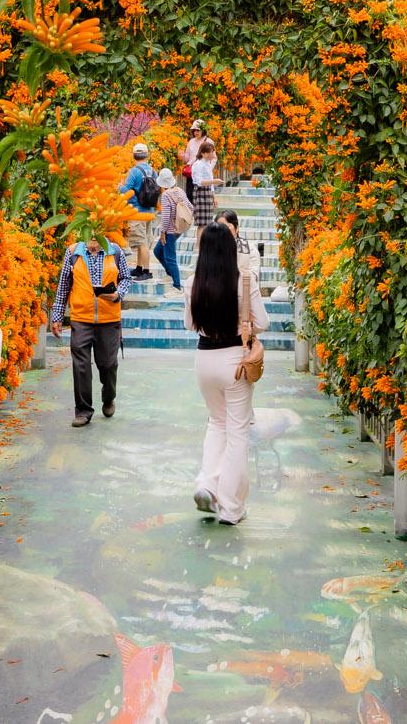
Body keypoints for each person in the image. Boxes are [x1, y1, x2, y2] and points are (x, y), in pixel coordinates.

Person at [185, 222, 268, 525]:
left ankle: (207, 484)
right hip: (234, 361)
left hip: (204, 360)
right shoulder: (244, 281)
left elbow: (188, 323)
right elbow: (263, 322)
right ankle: (231, 507)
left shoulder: (194, 281)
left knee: (216, 423)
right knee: (237, 433)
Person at [48, 233, 128, 427]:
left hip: (109, 319)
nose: (92, 241)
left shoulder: (115, 251)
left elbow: (126, 278)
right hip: (81, 318)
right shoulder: (73, 252)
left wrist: (118, 294)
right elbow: (64, 286)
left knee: (108, 365)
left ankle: (108, 397)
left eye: (96, 236)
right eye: (89, 235)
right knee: (81, 365)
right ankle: (83, 411)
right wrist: (57, 316)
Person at [117, 142, 160, 282]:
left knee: (142, 243)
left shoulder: (134, 172)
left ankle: (146, 271)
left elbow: (127, 191)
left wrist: (119, 187)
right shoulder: (153, 170)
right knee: (145, 240)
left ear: (134, 156)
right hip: (149, 211)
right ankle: (139, 268)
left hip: (136, 211)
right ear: (147, 155)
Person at [152, 168, 193, 290]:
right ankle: (170, 273)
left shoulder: (165, 195)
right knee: (157, 251)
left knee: (170, 257)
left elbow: (166, 216)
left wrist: (162, 232)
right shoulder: (179, 191)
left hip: (169, 231)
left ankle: (177, 284)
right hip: (178, 229)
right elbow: (190, 207)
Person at [189, 138, 218, 228]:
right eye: (209, 152)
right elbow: (199, 182)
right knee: (202, 224)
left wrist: (214, 197)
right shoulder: (198, 164)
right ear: (202, 153)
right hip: (200, 193)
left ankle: (204, 242)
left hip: (207, 192)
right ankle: (199, 242)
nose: (211, 154)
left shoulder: (207, 163)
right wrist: (214, 181)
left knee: (207, 223)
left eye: (212, 152)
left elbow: (210, 181)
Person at [182, 120, 206, 197]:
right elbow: (187, 158)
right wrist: (183, 156)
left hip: (202, 172)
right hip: (191, 171)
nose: (196, 132)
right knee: (189, 193)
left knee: (200, 194)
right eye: (194, 130)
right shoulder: (191, 141)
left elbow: (213, 158)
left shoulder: (208, 141)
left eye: (198, 130)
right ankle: (190, 209)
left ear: (203, 130)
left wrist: (209, 168)